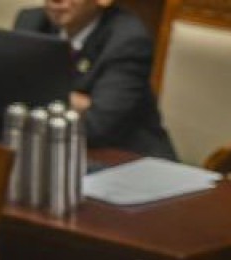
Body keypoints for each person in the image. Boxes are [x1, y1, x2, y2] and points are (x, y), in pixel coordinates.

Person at [15, 0, 176, 160]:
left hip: (128, 160)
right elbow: (7, 97)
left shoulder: (128, 39)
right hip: (58, 149)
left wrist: (37, 94)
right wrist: (76, 102)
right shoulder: (31, 22)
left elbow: (97, 127)